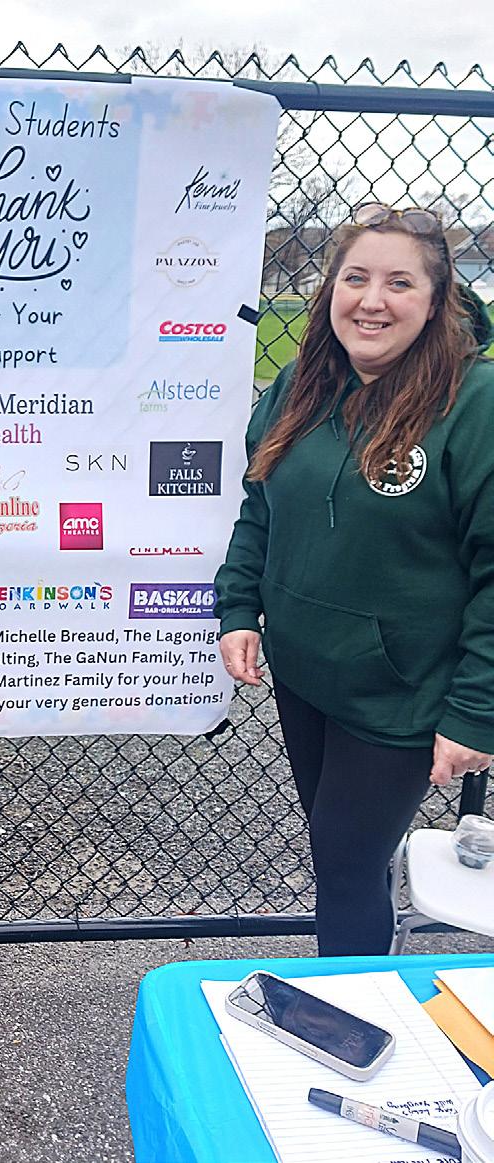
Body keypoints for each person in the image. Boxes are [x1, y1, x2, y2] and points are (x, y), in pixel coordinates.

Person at [215, 203, 494, 958]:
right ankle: (363, 988)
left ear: (436, 301)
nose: (372, 300)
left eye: (399, 283)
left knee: (345, 869)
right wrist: (239, 606)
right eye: (356, 278)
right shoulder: (299, 387)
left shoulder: (475, 405)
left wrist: (476, 713)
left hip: (399, 695)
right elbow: (260, 504)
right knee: (339, 856)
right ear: (331, 289)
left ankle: (351, 1010)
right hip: (306, 675)